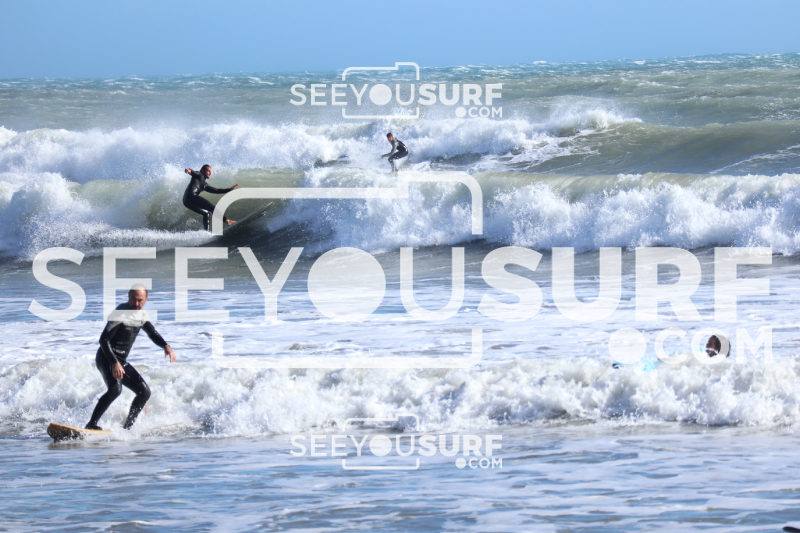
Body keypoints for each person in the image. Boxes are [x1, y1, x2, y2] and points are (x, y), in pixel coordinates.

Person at [86, 286, 176, 430]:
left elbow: (152, 333)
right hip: (106, 357)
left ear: (146, 299)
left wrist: (166, 346)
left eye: (140, 300)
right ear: (128, 296)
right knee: (115, 389)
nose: (136, 303)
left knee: (144, 392)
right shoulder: (120, 313)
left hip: (120, 360)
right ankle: (91, 424)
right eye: (133, 299)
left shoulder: (142, 315)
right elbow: (104, 340)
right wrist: (114, 363)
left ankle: (127, 428)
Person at [183, 165, 240, 231]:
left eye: (210, 171)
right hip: (191, 196)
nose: (210, 173)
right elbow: (193, 172)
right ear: (203, 171)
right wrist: (189, 171)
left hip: (186, 201)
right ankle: (227, 221)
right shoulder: (199, 175)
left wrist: (229, 189)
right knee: (212, 208)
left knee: (206, 213)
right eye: (208, 171)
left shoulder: (205, 185)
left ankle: (206, 232)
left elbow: (217, 190)